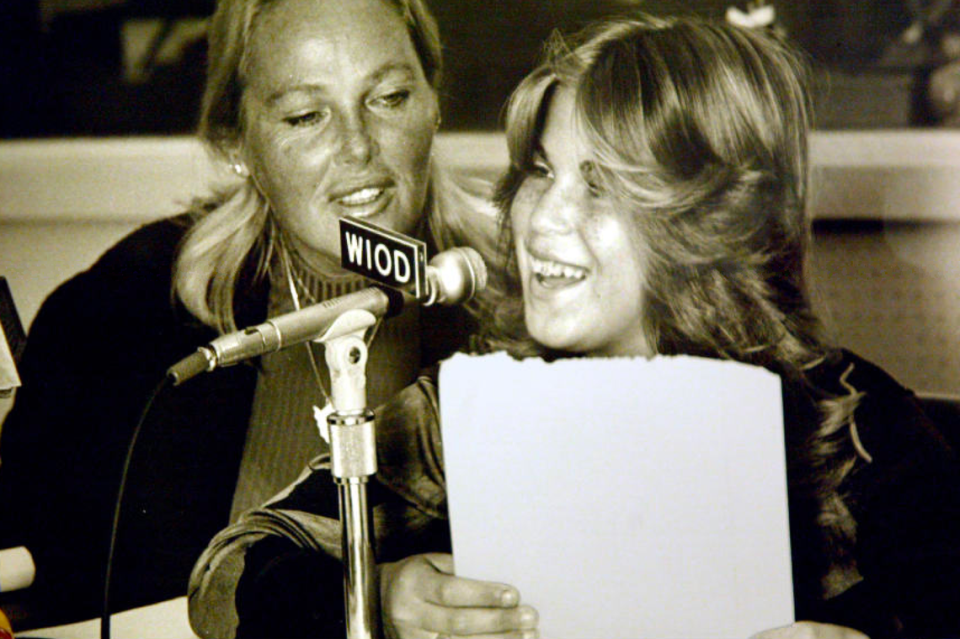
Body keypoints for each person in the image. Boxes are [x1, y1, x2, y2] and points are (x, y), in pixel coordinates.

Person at [188, 12, 960, 639]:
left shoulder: (851, 422)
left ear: (708, 215)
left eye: (599, 187)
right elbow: (224, 573)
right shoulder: (469, 410)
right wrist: (378, 597)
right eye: (540, 172)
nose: (539, 218)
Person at [0, 0, 494, 629]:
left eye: (390, 98)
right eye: (306, 116)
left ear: (434, 102)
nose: (358, 148)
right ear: (237, 143)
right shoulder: (121, 307)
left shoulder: (516, 296)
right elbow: (36, 576)